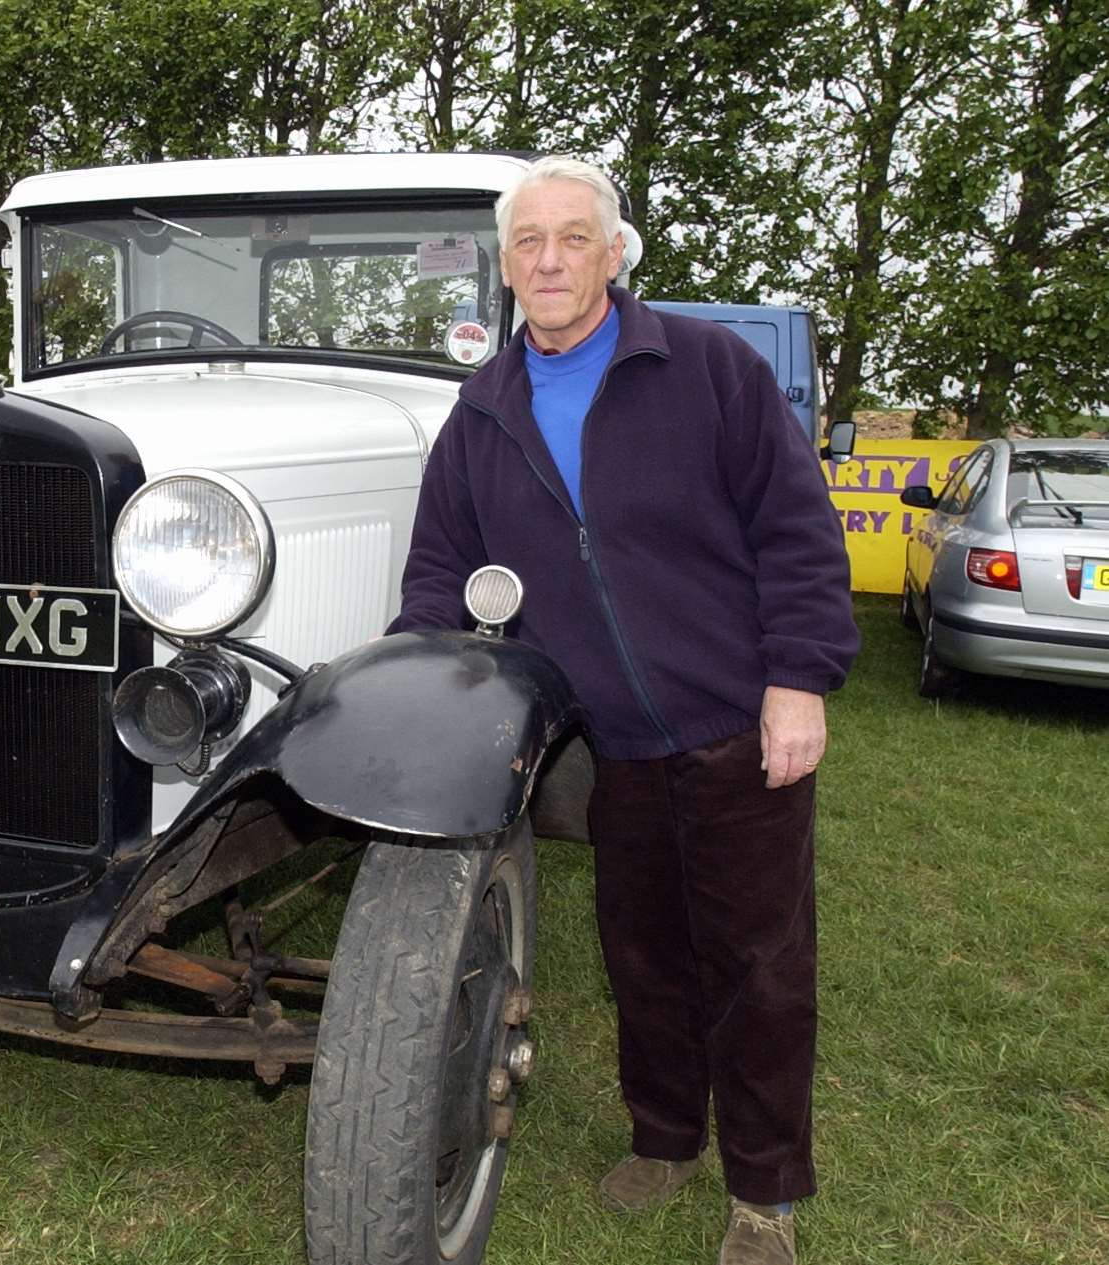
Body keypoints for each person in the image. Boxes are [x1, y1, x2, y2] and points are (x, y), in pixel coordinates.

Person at [390, 156, 858, 1265]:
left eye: (570, 237)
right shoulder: (484, 407)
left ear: (612, 252)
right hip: (606, 745)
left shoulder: (705, 368)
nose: (548, 260)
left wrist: (798, 678)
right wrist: (414, 680)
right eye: (526, 243)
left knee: (756, 959)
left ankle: (764, 1195)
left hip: (739, 721)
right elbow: (438, 573)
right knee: (640, 951)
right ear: (504, 269)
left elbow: (797, 530)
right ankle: (663, 1137)